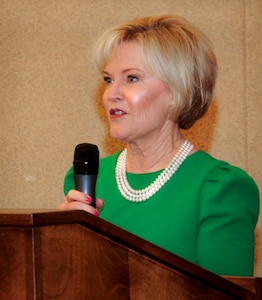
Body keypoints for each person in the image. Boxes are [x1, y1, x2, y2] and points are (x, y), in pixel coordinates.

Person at [59, 15, 260, 276]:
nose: (112, 93)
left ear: (178, 92)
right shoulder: (85, 183)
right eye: (108, 79)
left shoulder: (220, 189)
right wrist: (60, 240)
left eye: (131, 78)